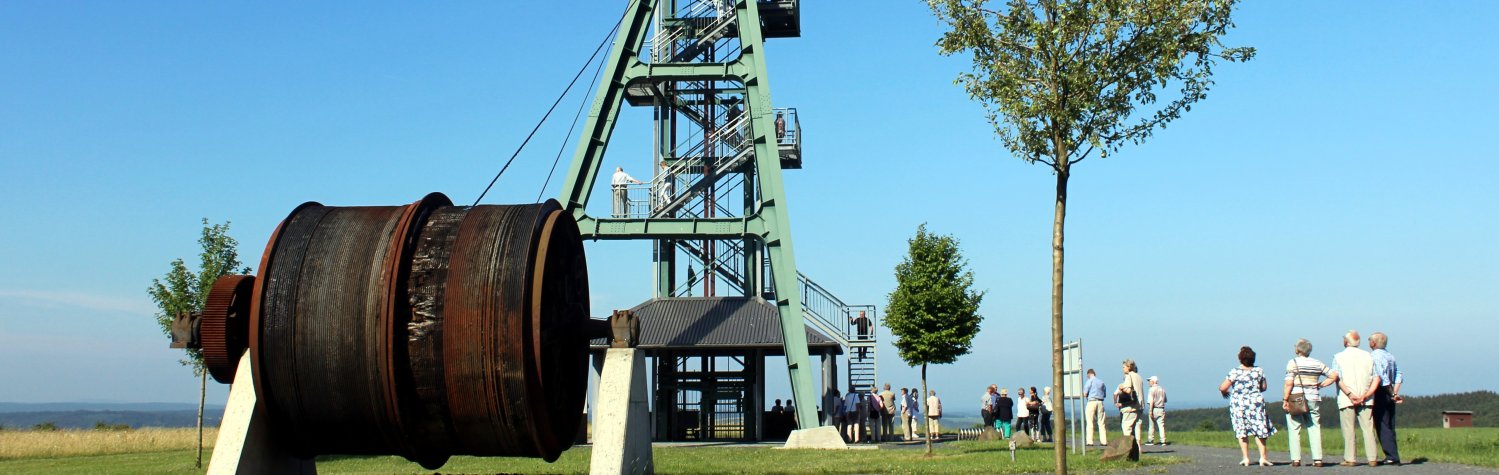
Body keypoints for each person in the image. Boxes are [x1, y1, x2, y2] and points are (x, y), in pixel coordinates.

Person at [1284, 338, 1339, 468]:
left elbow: (1289, 383)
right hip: (1313, 397)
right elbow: (1333, 375)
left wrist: (1285, 399)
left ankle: (1296, 459)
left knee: (1294, 427)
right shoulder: (1317, 363)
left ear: (1297, 349)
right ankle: (1318, 459)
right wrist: (1320, 385)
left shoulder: (1293, 362)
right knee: (1314, 427)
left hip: (1296, 397)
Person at [1218, 346, 1275, 467]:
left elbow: (1223, 387)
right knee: (1260, 430)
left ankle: (1246, 458)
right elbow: (1263, 387)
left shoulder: (1235, 372)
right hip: (1256, 403)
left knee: (1242, 430)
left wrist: (1225, 393)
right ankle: (1263, 458)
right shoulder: (1259, 371)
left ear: (1240, 359)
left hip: (1239, 404)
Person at [1334, 330, 1381, 467]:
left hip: (1346, 397)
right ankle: (1372, 458)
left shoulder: (1338, 357)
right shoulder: (1368, 356)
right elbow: (1376, 378)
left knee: (1348, 429)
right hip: (1366, 397)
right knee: (1368, 428)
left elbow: (1338, 378)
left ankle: (1350, 458)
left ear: (1346, 342)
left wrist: (1350, 394)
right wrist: (1366, 395)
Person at [1369, 332, 1403, 466]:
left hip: (1381, 392)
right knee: (1390, 424)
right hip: (1390, 392)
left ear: (1374, 343)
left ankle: (1391, 456)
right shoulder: (1390, 356)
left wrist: (1391, 393)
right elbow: (1399, 374)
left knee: (1382, 424)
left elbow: (1382, 377)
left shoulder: (1374, 356)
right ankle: (1393, 454)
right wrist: (1394, 392)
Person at [1117, 359, 1145, 445]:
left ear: (1129, 367)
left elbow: (1128, 390)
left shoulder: (1129, 376)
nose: (1123, 369)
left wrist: (1121, 387)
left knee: (1126, 427)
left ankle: (1128, 448)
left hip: (1131, 406)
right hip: (1139, 405)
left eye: (1124, 367)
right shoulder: (1139, 376)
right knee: (1137, 427)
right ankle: (1138, 447)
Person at [1083, 368, 1108, 446]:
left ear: (1089, 374)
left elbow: (1085, 393)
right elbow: (1104, 394)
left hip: (1091, 401)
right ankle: (1104, 441)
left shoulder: (1089, 381)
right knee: (1101, 422)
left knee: (1090, 422)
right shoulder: (1101, 382)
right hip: (1100, 402)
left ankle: (1090, 441)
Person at [1146, 376, 1168, 445]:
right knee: (1161, 425)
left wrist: (1150, 411)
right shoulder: (1162, 389)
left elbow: (1151, 401)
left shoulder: (1151, 389)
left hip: (1154, 408)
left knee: (1151, 425)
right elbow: (1165, 400)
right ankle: (1163, 441)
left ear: (1153, 381)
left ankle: (1151, 440)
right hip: (1161, 408)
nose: (1149, 382)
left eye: (1150, 381)